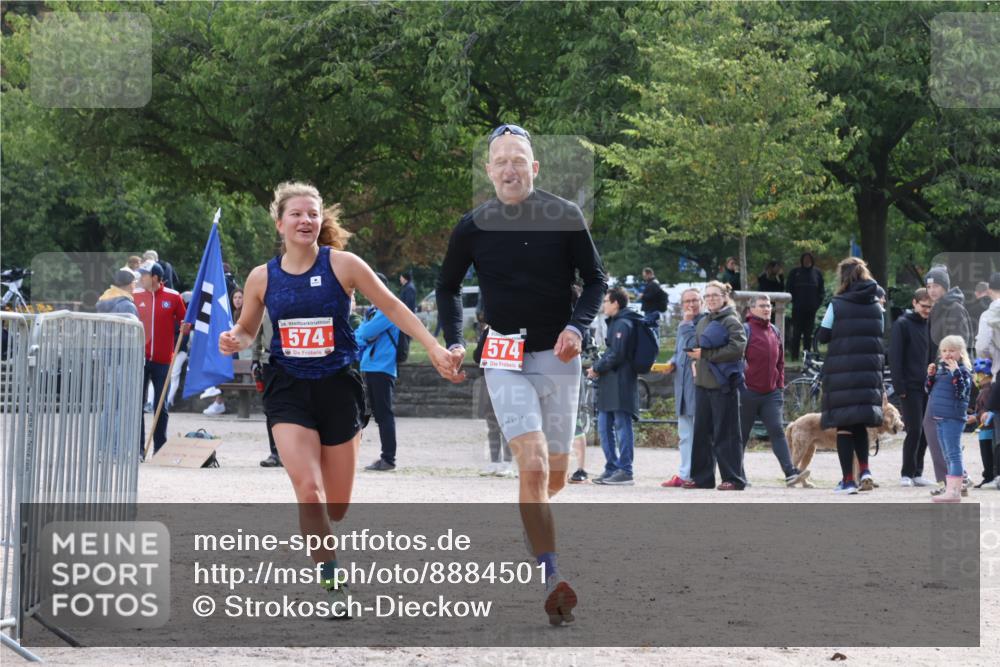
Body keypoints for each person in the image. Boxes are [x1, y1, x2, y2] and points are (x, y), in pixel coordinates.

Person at [219, 182, 456, 618]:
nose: (306, 220)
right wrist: (235, 337)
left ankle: (329, 527)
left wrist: (434, 346)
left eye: (313, 213)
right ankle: (332, 583)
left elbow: (393, 307)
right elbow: (248, 328)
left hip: (338, 387)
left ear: (321, 220)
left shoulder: (343, 265)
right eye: (296, 214)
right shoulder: (261, 277)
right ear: (280, 224)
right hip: (287, 388)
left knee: (338, 506)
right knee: (309, 492)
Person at [435, 123, 606, 626]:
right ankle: (552, 577)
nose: (509, 169)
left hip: (558, 353)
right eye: (500, 161)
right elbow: (447, 287)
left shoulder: (565, 215)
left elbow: (596, 280)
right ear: (489, 171)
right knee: (531, 463)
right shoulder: (473, 226)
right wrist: (453, 339)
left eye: (518, 160)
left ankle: (533, 523)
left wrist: (576, 327)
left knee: (555, 477)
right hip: (502, 354)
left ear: (534, 168)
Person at [815, 257, 884, 495]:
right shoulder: (876, 305)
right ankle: (865, 470)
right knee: (860, 423)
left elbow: (823, 335)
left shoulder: (837, 304)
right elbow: (879, 333)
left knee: (844, 425)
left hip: (842, 372)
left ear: (843, 277)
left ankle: (848, 481)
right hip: (869, 372)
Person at [684, 281, 747, 490]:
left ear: (724, 297)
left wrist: (706, 354)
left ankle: (733, 479)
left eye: (715, 295)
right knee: (701, 433)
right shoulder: (703, 320)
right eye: (708, 295)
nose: (710, 299)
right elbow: (700, 348)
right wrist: (695, 358)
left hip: (723, 386)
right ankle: (702, 478)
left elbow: (738, 348)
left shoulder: (731, 320)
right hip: (702, 384)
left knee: (726, 433)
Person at [739, 294, 808, 486]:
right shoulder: (745, 330)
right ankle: (738, 475)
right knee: (741, 435)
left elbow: (780, 362)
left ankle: (790, 473)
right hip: (747, 392)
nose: (766, 309)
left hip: (771, 394)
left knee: (777, 431)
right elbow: (736, 360)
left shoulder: (775, 331)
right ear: (751, 309)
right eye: (762, 306)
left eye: (768, 306)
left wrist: (779, 386)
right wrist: (741, 386)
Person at [923, 266, 974, 494]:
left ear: (945, 286)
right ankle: (956, 479)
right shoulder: (938, 308)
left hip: (951, 377)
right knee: (935, 428)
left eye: (936, 285)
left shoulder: (954, 308)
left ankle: (953, 480)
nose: (932, 290)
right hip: (941, 376)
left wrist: (949, 369)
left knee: (935, 426)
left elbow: (959, 345)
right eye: (928, 286)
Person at [588, 287, 642, 486]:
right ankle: (612, 467)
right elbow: (613, 352)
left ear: (615, 303)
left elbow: (617, 354)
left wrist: (596, 368)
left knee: (621, 425)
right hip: (610, 381)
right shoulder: (616, 322)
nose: (603, 305)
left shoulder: (623, 323)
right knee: (604, 427)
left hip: (621, 381)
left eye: (606, 301)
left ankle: (625, 470)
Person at [134, 262, 188, 458]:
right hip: (140, 359)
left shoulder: (173, 296)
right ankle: (138, 449)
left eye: (144, 274)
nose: (141, 278)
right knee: (137, 406)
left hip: (163, 360)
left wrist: (185, 327)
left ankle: (159, 448)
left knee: (161, 405)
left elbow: (184, 321)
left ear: (155, 277)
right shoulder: (135, 296)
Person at [889, 288, 936, 487]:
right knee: (914, 429)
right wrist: (899, 386)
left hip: (927, 385)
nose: (927, 310)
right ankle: (906, 473)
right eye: (924, 306)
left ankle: (917, 472)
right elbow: (895, 357)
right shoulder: (902, 324)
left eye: (930, 307)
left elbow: (931, 354)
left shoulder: (930, 324)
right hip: (909, 386)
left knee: (926, 430)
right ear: (914, 303)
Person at [357, 273, 402, 471]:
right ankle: (384, 457)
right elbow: (359, 334)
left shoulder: (387, 309)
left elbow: (365, 332)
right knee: (372, 414)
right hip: (371, 366)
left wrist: (364, 333)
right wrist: (363, 333)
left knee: (384, 414)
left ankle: (388, 459)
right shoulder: (375, 310)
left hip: (381, 368)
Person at [660, 288, 702, 487]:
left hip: (699, 386)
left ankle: (698, 474)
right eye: (687, 301)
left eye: (695, 300)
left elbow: (696, 347)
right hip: (682, 385)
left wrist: (687, 324)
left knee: (700, 434)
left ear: (701, 302)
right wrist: (671, 362)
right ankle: (685, 474)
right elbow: (679, 352)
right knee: (684, 434)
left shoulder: (706, 322)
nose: (691, 304)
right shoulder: (682, 325)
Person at [925, 336, 973, 503]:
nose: (947, 354)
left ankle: (954, 492)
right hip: (939, 417)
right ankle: (954, 486)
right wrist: (930, 376)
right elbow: (928, 390)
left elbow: (962, 392)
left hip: (953, 418)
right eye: (944, 350)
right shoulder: (941, 370)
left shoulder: (963, 371)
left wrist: (956, 372)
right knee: (947, 455)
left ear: (960, 352)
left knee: (953, 454)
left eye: (952, 350)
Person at [205, 287, 245, 416]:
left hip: (243, 353)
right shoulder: (230, 315)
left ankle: (218, 401)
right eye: (235, 297)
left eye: (240, 297)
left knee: (222, 365)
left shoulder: (246, 315)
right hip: (233, 352)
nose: (237, 300)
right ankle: (217, 398)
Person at [253, 308, 282, 468]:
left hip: (294, 360)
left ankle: (293, 452)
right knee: (270, 407)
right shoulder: (265, 308)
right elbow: (257, 334)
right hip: (269, 360)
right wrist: (255, 360)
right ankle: (275, 452)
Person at [786, 252, 824, 360]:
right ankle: (794, 356)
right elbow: (789, 288)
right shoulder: (795, 272)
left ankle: (807, 356)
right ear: (802, 260)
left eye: (809, 258)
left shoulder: (817, 273)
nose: (807, 261)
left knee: (808, 334)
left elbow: (821, 291)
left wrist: (816, 305)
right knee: (796, 333)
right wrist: (794, 302)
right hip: (797, 309)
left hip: (811, 309)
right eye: (805, 258)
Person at [971, 358, 994, 488]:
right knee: (986, 453)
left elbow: (986, 409)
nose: (975, 377)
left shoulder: (987, 390)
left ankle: (989, 477)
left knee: (987, 454)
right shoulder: (985, 389)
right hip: (985, 428)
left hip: (988, 428)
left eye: (977, 374)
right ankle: (988, 476)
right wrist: (975, 416)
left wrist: (976, 417)